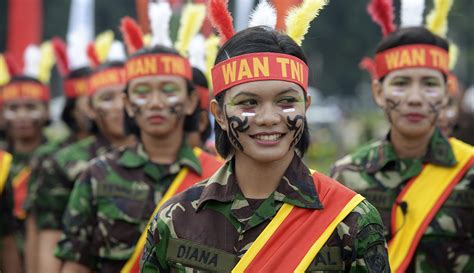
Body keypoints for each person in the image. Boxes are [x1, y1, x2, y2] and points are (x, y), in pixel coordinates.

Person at [140, 1, 389, 272]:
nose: (268, 118)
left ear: (306, 105)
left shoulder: (351, 220)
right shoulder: (175, 220)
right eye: (248, 103)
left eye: (286, 101)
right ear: (219, 114)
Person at [54, 14, 221, 273]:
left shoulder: (219, 177)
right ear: (129, 105)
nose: (155, 102)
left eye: (168, 90)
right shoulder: (97, 174)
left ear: (190, 102)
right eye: (142, 92)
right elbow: (77, 261)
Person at [331, 25, 474, 273]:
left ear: (446, 93)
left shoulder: (469, 170)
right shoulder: (345, 176)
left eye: (429, 84)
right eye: (401, 83)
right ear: (378, 92)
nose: (415, 98)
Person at [31, 40, 135, 273]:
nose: (119, 105)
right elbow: (51, 240)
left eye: (125, 95)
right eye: (107, 98)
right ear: (89, 107)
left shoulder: (161, 156)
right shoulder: (61, 162)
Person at [0, 44, 53, 273]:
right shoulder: (1, 160)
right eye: (13, 108)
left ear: (46, 111)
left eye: (31, 107)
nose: (22, 116)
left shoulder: (63, 158)